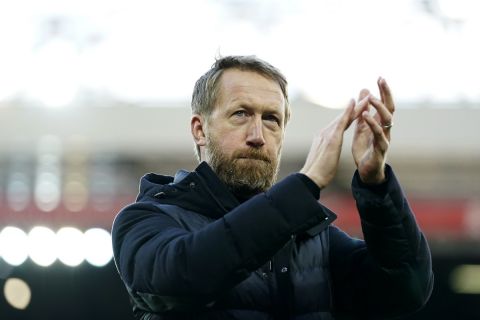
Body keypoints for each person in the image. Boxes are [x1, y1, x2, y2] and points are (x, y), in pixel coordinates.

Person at [112, 55, 433, 320]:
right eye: (241, 114)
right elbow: (185, 276)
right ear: (200, 130)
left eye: (271, 119)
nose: (258, 135)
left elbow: (408, 288)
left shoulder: (311, 237)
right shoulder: (145, 220)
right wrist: (305, 184)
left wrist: (375, 185)